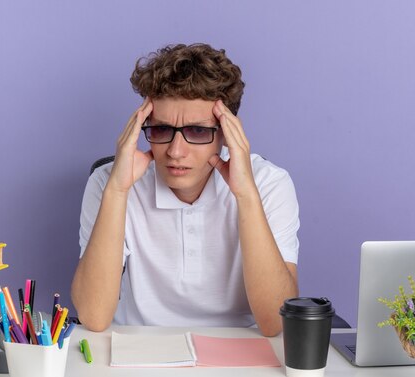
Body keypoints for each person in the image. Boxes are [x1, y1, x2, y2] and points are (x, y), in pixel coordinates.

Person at [71, 43, 299, 336]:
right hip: (138, 351)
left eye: (198, 131)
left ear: (228, 134)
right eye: (162, 130)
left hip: (240, 353)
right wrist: (117, 191)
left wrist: (246, 196)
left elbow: (275, 323)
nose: (176, 152)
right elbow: (93, 316)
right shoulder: (108, 182)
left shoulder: (269, 184)